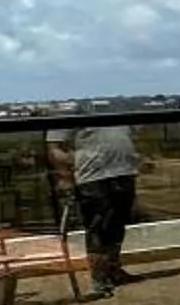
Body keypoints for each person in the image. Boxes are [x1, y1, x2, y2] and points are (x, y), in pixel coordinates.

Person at [48, 123, 140, 291]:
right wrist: (66, 176)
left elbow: (132, 135)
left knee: (117, 225)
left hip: (124, 173)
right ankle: (99, 277)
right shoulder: (68, 109)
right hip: (93, 178)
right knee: (97, 226)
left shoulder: (119, 106)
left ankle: (113, 270)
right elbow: (55, 148)